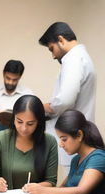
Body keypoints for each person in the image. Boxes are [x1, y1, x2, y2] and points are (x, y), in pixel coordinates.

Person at [39, 22, 96, 175]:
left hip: (72, 137)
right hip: (79, 135)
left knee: (74, 188)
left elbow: (65, 100)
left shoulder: (73, 59)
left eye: (52, 49)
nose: (53, 55)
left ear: (61, 40)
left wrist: (43, 107)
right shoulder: (83, 57)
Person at [0, 59, 33, 133]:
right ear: (3, 74)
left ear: (20, 77)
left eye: (14, 80)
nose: (10, 82)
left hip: (21, 133)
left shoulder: (27, 94)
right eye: (8, 78)